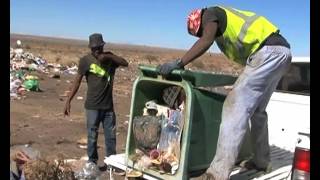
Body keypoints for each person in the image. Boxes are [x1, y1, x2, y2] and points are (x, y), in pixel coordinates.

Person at [158, 5, 291, 180]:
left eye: (200, 32)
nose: (202, 35)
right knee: (258, 111)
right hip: (282, 53)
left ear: (199, 20)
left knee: (234, 107)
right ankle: (261, 161)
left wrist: (180, 62)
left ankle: (217, 174)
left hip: (267, 52)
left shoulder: (210, 14)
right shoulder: (223, 30)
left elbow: (206, 40)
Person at [63, 33, 128, 175]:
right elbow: (77, 81)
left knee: (110, 137)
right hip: (92, 106)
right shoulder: (85, 61)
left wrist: (109, 56)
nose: (96, 51)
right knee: (92, 136)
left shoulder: (110, 59)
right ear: (90, 48)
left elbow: (125, 63)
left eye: (98, 48)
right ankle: (92, 163)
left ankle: (112, 163)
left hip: (108, 107)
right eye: (94, 49)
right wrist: (68, 100)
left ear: (103, 46)